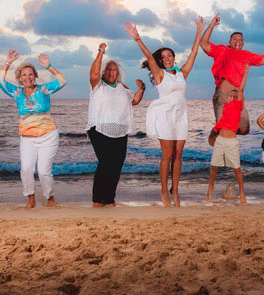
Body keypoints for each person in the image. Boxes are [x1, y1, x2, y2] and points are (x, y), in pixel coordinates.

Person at [124, 17, 204, 207]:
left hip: (181, 116)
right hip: (165, 116)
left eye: (171, 56)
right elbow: (149, 58)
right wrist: (137, 39)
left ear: (174, 58)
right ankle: (163, 190)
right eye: (165, 57)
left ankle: (175, 190)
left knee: (179, 155)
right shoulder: (160, 74)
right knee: (167, 155)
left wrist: (199, 31)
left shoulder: (182, 73)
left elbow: (194, 53)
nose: (168, 59)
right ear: (161, 60)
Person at [0, 51, 67, 208]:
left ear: (35, 76)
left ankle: (50, 199)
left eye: (30, 75)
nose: (27, 77)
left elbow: (62, 81)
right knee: (26, 169)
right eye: (24, 75)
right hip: (27, 138)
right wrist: (7, 61)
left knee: (43, 171)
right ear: (20, 78)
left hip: (48, 135)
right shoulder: (16, 92)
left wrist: (49, 66)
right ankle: (31, 199)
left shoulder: (44, 90)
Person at [199, 14, 264, 138]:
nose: (237, 41)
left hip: (238, 98)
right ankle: (219, 132)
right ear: (229, 41)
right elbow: (203, 43)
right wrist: (212, 25)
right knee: (226, 130)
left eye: (240, 40)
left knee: (244, 129)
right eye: (235, 39)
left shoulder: (246, 55)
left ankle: (219, 130)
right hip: (223, 96)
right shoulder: (222, 50)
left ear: (243, 43)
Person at [87, 43, 145, 208]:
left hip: (119, 130)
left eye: (114, 70)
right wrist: (100, 52)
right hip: (99, 128)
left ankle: (110, 199)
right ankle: (97, 200)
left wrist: (142, 88)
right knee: (105, 163)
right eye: (108, 69)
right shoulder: (98, 86)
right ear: (104, 72)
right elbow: (93, 73)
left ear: (117, 73)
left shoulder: (121, 87)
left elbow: (134, 101)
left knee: (117, 164)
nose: (111, 72)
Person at [206, 66, 252, 205]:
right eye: (231, 94)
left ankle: (242, 192)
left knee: (236, 168)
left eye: (235, 94)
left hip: (231, 142)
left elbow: (241, 89)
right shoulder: (225, 107)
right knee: (214, 166)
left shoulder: (238, 105)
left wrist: (245, 73)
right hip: (220, 140)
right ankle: (210, 187)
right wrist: (213, 134)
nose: (232, 95)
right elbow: (219, 124)